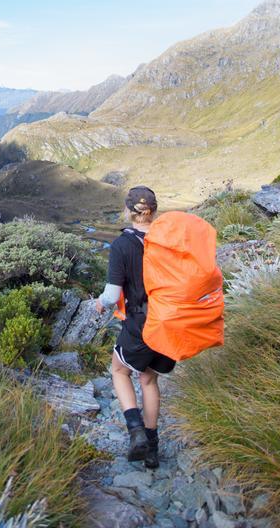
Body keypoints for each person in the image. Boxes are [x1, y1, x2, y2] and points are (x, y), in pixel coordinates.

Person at [95, 186, 175, 469]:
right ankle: (152, 450)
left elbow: (112, 293)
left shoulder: (122, 245)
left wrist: (101, 303)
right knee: (149, 380)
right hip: (171, 322)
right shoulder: (171, 238)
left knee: (119, 370)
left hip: (142, 322)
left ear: (129, 211)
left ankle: (135, 431)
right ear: (154, 210)